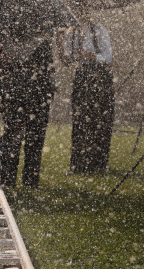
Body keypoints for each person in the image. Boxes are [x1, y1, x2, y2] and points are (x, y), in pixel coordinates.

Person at [0, 32, 55, 188]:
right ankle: (28, 180)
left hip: (19, 94)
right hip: (33, 95)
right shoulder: (42, 40)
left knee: (16, 138)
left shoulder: (7, 39)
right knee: (31, 139)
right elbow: (48, 70)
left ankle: (10, 179)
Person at [58, 16, 114, 174]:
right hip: (82, 77)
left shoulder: (99, 30)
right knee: (80, 120)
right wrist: (60, 45)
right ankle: (78, 164)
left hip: (101, 76)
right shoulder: (71, 33)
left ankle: (99, 164)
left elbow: (108, 57)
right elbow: (67, 61)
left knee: (101, 121)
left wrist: (92, 56)